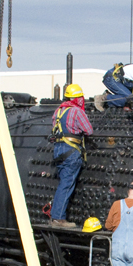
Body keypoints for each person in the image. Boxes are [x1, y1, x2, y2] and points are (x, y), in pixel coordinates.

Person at [50, 83, 94, 228]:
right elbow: (89, 130)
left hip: (58, 149)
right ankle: (58, 219)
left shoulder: (59, 111)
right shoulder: (76, 111)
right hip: (71, 149)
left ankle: (55, 215)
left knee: (63, 182)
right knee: (67, 184)